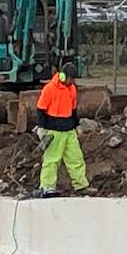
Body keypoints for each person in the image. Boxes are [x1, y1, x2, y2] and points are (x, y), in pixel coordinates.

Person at [28, 62, 95, 198]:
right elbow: (41, 109)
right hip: (54, 131)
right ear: (63, 76)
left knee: (76, 159)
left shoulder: (72, 90)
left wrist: (76, 126)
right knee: (52, 160)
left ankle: (81, 186)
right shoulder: (49, 89)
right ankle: (47, 187)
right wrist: (41, 128)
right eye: (71, 78)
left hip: (69, 131)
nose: (72, 82)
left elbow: (73, 110)